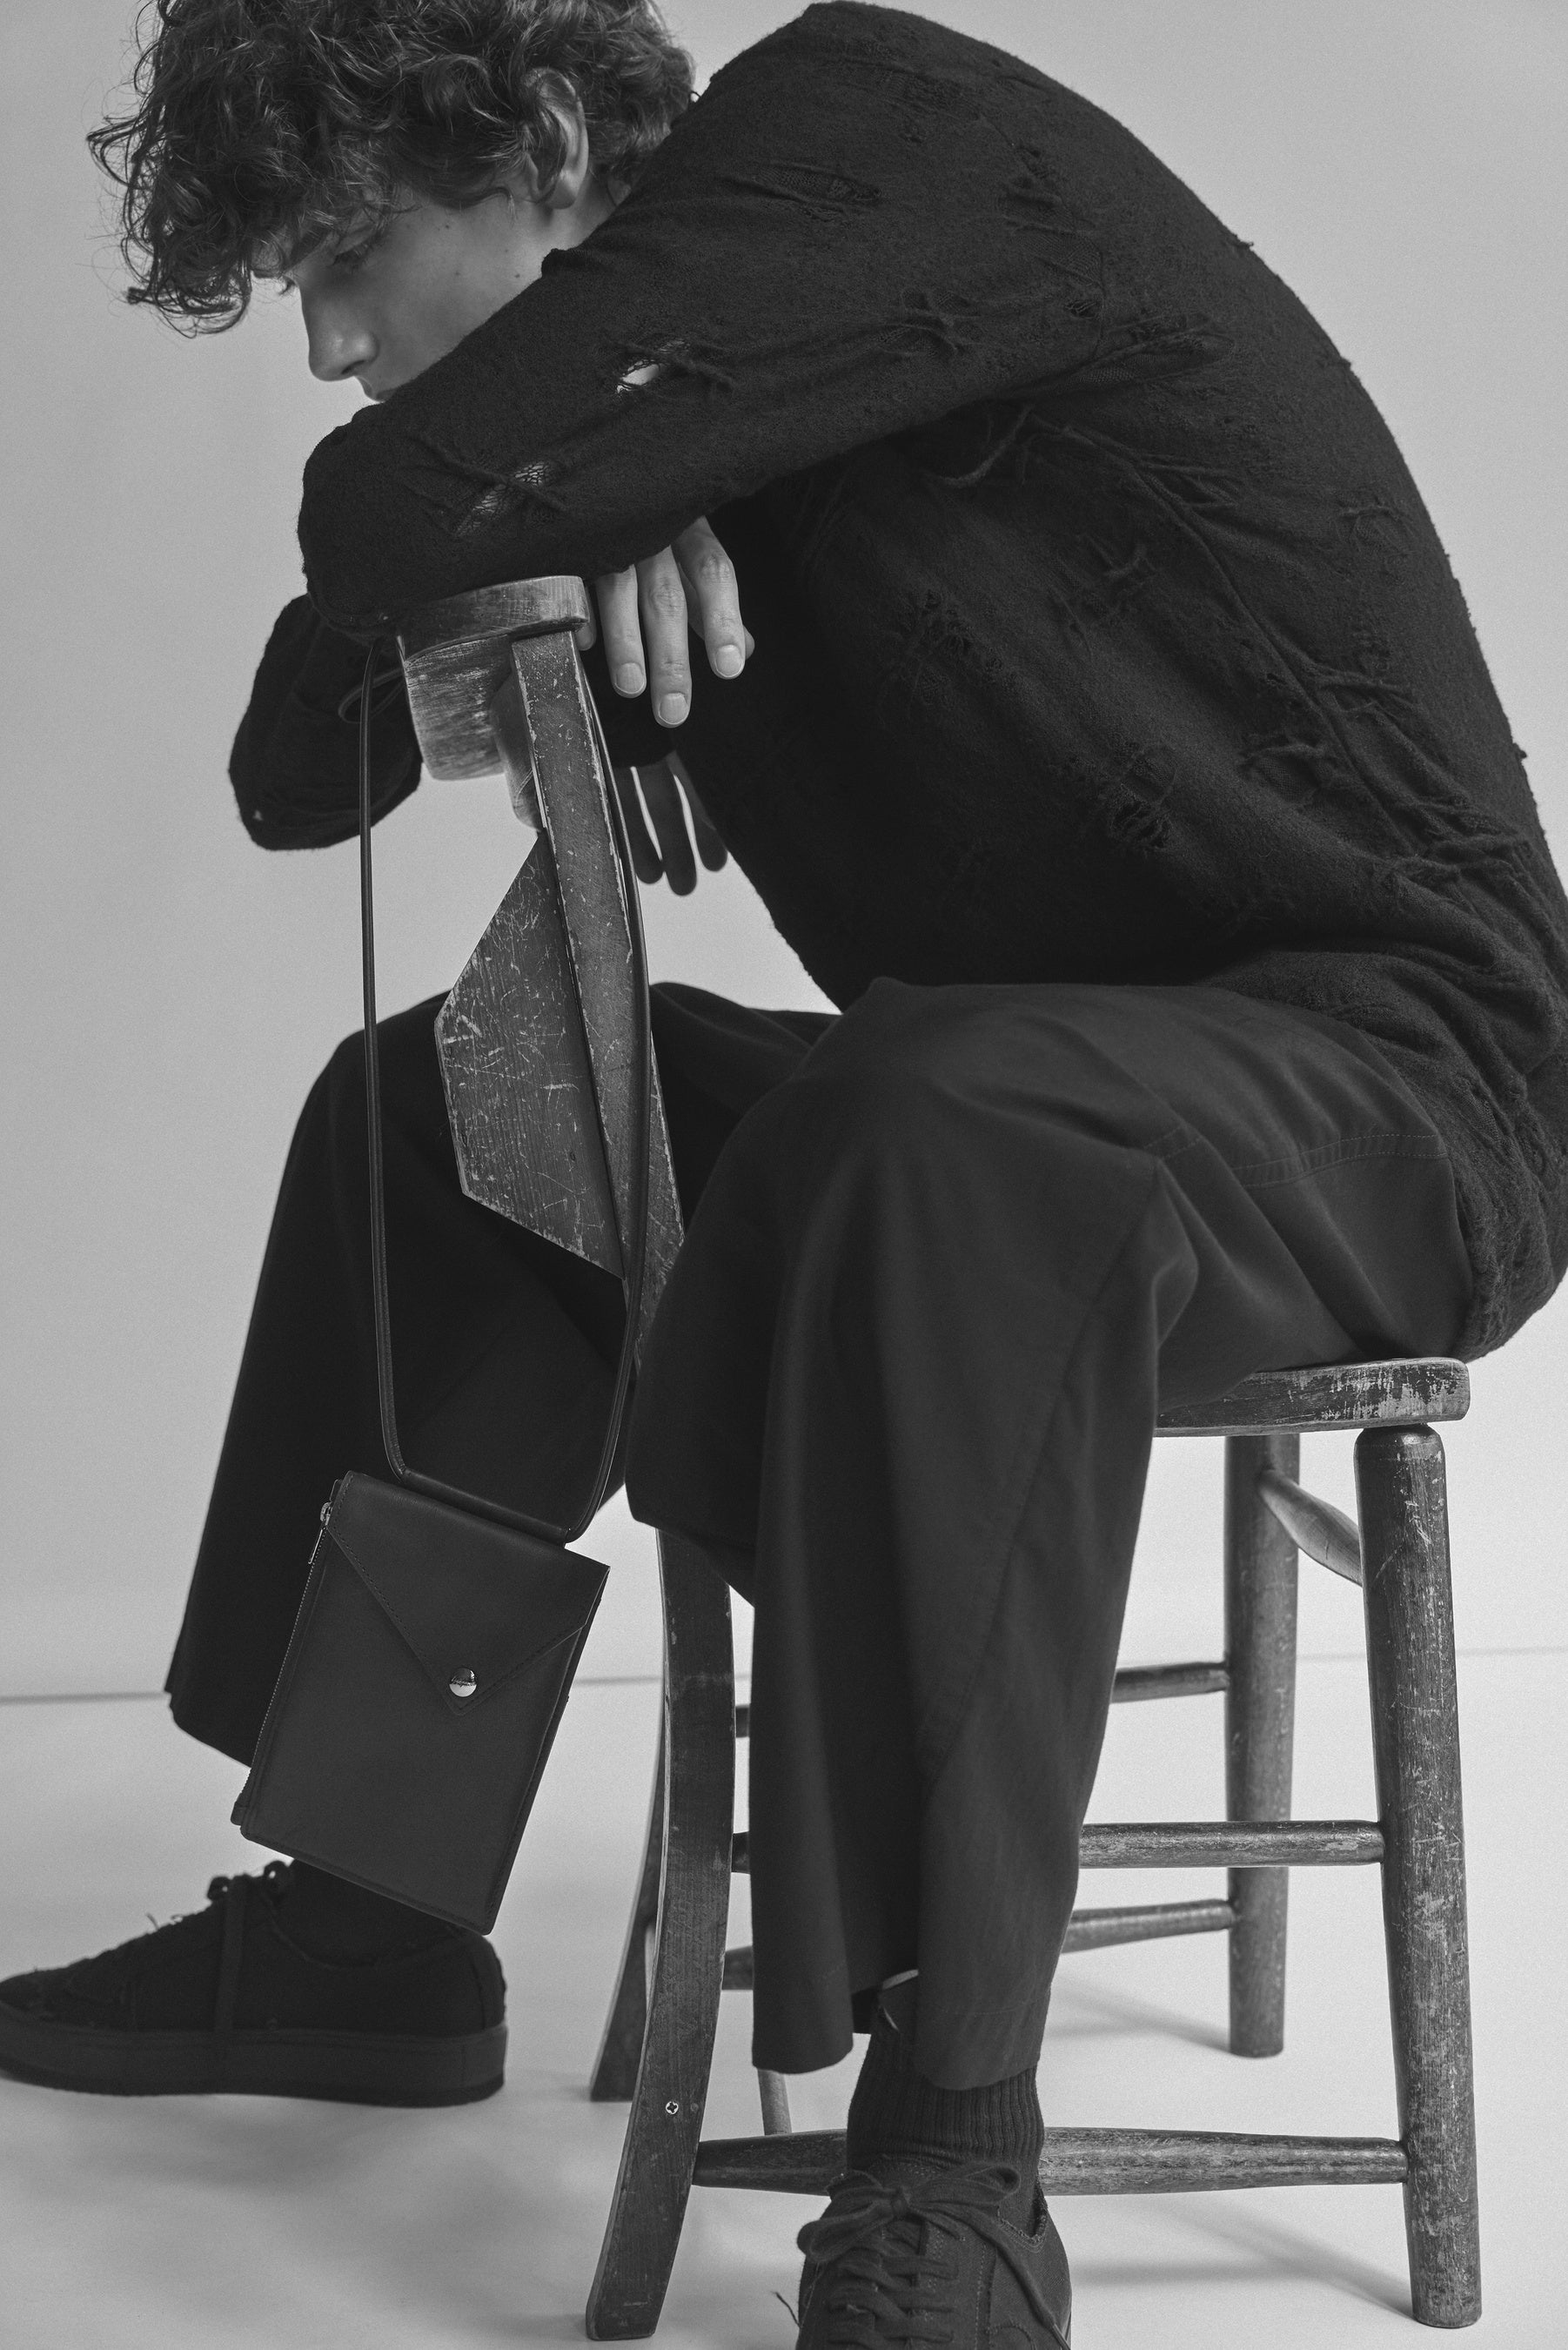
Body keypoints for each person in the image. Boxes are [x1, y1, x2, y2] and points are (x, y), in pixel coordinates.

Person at [5, 3, 1565, 2341]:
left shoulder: (872, 126)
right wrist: (602, 492)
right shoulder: (648, 407)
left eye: (350, 254)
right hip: (1033, 1092)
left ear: (549, 135)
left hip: (1398, 1077)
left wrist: (589, 477)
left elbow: (378, 508)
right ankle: (368, 1922)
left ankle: (954, 2150)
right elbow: (290, 768)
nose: (328, 342)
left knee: (924, 1132)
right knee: (439, 1112)